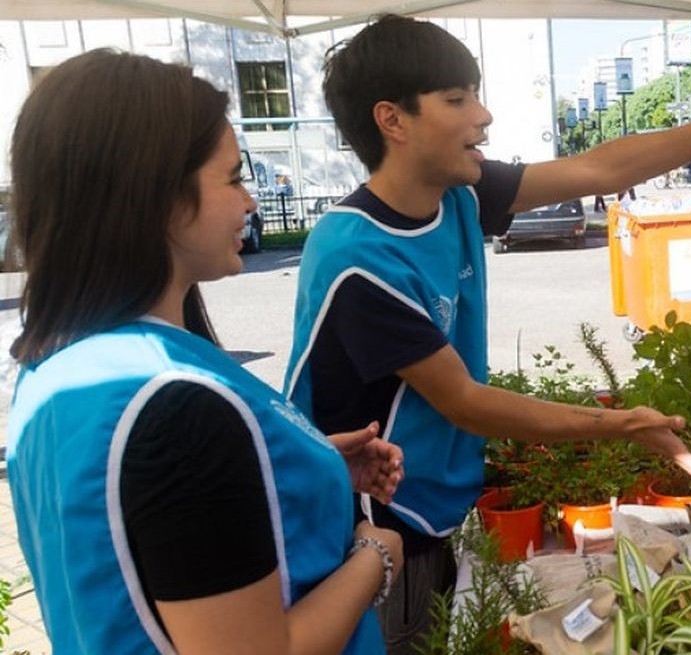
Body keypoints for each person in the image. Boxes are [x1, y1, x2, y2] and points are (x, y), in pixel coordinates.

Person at [284, 14, 691, 652]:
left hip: (425, 504)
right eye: (458, 99)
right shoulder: (358, 253)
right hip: (366, 521)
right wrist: (625, 424)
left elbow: (598, 171)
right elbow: (465, 402)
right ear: (393, 120)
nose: (483, 116)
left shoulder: (457, 195)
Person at [6, 50, 406, 653]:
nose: (249, 201)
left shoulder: (57, 367)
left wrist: (300, 465)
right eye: (232, 177)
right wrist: (378, 556)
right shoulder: (175, 407)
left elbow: (137, 524)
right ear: (159, 196)